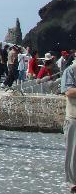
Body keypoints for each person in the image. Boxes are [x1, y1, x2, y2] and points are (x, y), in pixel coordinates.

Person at [60, 58, 76, 192]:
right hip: (73, 118)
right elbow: (69, 91)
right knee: (73, 153)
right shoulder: (70, 71)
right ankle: (73, 183)